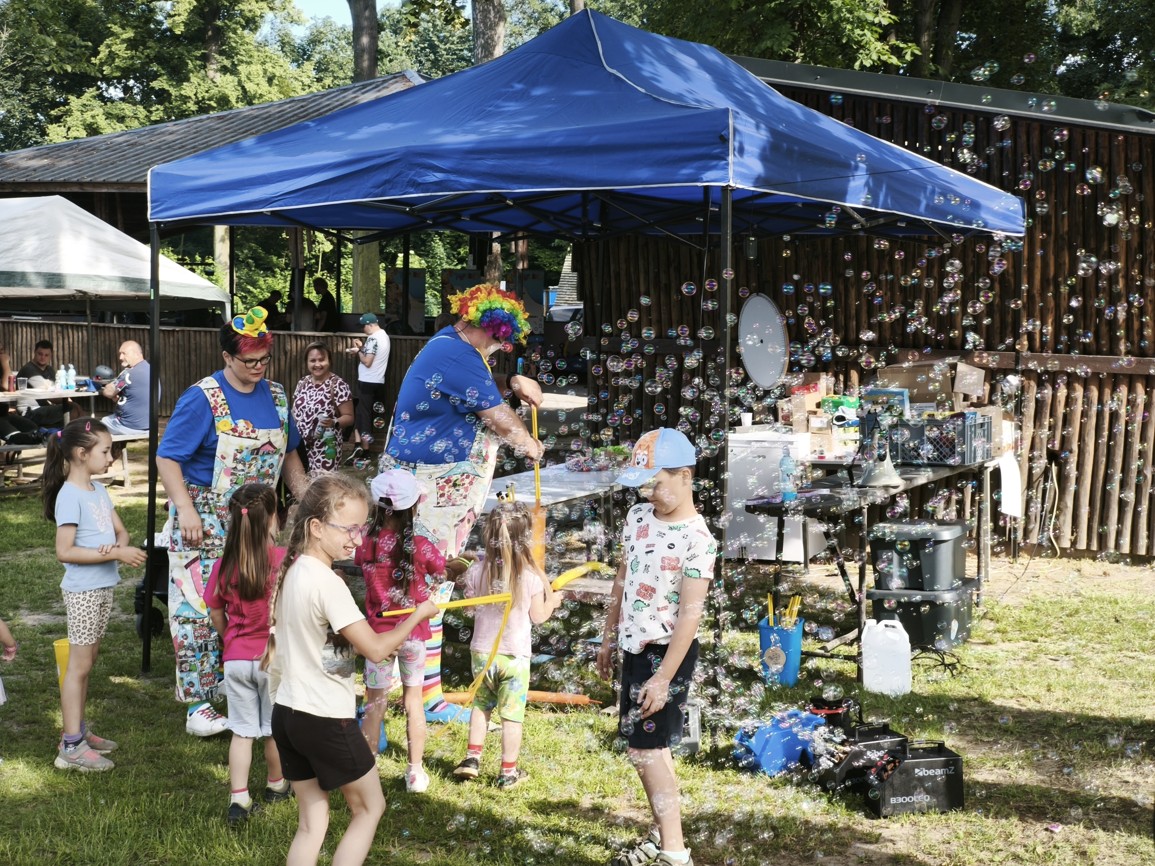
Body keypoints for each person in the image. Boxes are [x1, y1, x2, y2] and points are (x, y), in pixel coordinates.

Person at [381, 283, 545, 721]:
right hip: (432, 493)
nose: (500, 347)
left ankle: (402, 683)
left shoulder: (450, 347)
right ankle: (426, 696)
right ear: (486, 327)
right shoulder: (459, 355)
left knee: (416, 584)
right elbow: (498, 418)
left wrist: (512, 383)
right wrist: (530, 444)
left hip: (433, 492)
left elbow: (476, 395)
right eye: (499, 339)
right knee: (430, 586)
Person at [265, 472, 438, 866]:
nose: (358, 540)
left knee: (311, 823)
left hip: (287, 714)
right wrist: (417, 615)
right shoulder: (329, 584)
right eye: (349, 529)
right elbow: (376, 650)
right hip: (324, 717)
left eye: (362, 528)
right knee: (369, 808)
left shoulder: (293, 569)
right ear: (316, 526)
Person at [156, 306, 307, 736]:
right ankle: (198, 704)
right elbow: (167, 458)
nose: (259, 368)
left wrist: (304, 498)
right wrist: (184, 509)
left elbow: (289, 453)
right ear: (226, 357)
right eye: (249, 361)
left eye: (264, 359)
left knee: (254, 600)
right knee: (198, 605)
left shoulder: (277, 396)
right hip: (204, 520)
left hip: (256, 521)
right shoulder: (202, 398)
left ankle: (234, 675)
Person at [596, 428, 718, 866]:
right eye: (643, 485)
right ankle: (663, 832)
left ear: (685, 476)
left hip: (667, 654)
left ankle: (674, 852)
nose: (649, 493)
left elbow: (690, 616)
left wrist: (664, 677)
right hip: (634, 646)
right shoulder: (638, 517)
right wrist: (608, 634)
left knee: (643, 750)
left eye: (656, 483)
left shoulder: (698, 540)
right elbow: (623, 576)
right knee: (654, 748)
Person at [42, 418, 147, 772]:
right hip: (83, 592)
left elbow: (121, 531)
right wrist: (115, 553)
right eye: (106, 451)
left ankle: (78, 731)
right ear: (81, 453)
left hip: (102, 588)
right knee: (79, 667)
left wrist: (118, 547)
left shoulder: (98, 491)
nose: (111, 457)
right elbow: (64, 551)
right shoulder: (69, 496)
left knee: (87, 663)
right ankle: (71, 747)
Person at [452, 502, 560, 788]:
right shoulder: (531, 577)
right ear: (525, 538)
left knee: (481, 705)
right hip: (514, 658)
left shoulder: (476, 571)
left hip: (482, 654)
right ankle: (508, 773)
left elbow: (470, 610)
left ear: (488, 535)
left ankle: (471, 760)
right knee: (511, 716)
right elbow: (539, 616)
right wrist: (553, 601)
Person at [204, 483, 292, 826]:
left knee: (241, 732)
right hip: (272, 658)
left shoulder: (224, 565)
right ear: (271, 519)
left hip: (236, 660)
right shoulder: (284, 561)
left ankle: (239, 799)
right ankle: (276, 784)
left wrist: (230, 639)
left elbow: (215, 611)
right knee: (272, 730)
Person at [354, 469, 445, 792]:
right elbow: (441, 569)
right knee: (413, 701)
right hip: (413, 636)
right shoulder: (421, 546)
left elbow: (362, 562)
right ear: (414, 507)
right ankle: (415, 772)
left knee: (375, 703)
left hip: (377, 638)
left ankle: (367, 773)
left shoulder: (366, 543)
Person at [291, 342, 354, 474]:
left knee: (322, 485)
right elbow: (294, 412)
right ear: (307, 362)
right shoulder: (302, 382)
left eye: (321, 360)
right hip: (299, 448)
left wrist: (334, 422)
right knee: (299, 484)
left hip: (325, 449)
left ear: (329, 361)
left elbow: (349, 417)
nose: (317, 364)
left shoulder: (338, 385)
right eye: (313, 360)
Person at [344, 313, 390, 447]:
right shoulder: (384, 336)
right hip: (378, 380)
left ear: (370, 325)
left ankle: (365, 450)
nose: (362, 330)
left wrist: (359, 351)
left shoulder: (373, 338)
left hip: (367, 381)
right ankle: (358, 445)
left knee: (364, 415)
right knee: (365, 413)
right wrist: (361, 348)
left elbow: (367, 361)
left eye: (363, 327)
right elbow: (374, 354)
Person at [99, 340, 153, 436]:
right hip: (148, 425)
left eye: (124, 353)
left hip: (129, 426)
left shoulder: (128, 375)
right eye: (120, 354)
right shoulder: (150, 369)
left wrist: (110, 386)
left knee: (101, 423)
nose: (120, 357)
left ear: (136, 354)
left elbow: (109, 393)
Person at [16, 339, 67, 429]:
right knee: (71, 408)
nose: (43, 357)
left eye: (46, 355)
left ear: (50, 356)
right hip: (29, 411)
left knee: (73, 408)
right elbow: (50, 395)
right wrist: (68, 400)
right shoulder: (29, 369)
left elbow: (57, 389)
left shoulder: (50, 369)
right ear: (34, 353)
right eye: (40, 354)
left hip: (44, 408)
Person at [0, 344, 41, 444]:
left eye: (2, 350)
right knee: (15, 435)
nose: (1, 354)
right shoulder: (4, 365)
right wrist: (5, 363)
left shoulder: (2, 368)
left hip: (5, 415)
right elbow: (6, 386)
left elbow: (11, 387)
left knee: (33, 429)